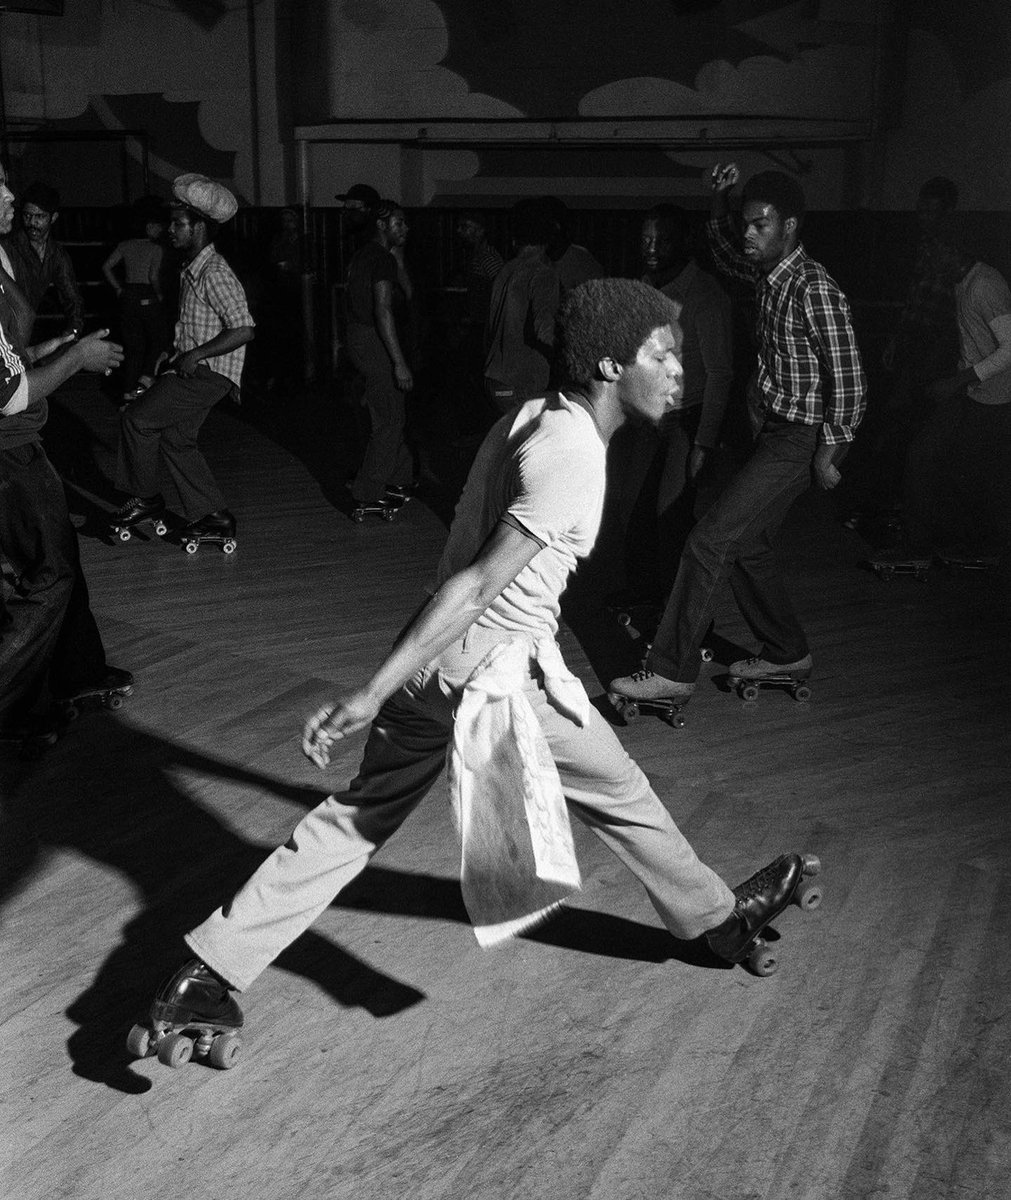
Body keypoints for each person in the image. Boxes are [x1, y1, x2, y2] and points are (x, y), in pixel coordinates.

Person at [140, 278, 811, 1044]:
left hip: (438, 667)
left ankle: (207, 972)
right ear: (605, 366)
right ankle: (717, 925)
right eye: (660, 355)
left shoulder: (532, 417)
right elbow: (474, 584)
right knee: (619, 791)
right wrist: (368, 691)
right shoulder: (572, 457)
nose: (678, 373)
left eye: (679, 355)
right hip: (490, 677)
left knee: (358, 819)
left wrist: (396, 680)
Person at [610, 164, 866, 709]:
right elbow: (724, 250)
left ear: (790, 226)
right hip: (770, 432)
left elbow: (849, 382)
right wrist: (723, 198)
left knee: (709, 540)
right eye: (747, 224)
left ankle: (670, 670)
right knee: (749, 545)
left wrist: (829, 452)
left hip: (799, 439)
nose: (749, 235)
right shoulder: (768, 276)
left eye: (760, 225)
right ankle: (787, 649)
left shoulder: (814, 289)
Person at [0, 161, 130, 745]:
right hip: (11, 449)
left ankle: (77, 674)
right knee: (49, 575)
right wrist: (74, 361)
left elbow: (6, 359)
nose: (10, 199)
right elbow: (9, 396)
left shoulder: (24, 261)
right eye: (0, 190)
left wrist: (45, 347)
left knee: (55, 564)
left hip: (18, 441)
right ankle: (11, 707)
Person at [108, 173, 254, 543]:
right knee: (176, 439)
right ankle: (212, 515)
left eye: (179, 224)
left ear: (199, 228)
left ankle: (145, 498)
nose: (170, 230)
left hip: (206, 372)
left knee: (138, 420)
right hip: (196, 367)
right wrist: (170, 358)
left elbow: (243, 328)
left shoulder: (215, 272)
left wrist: (196, 356)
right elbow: (195, 329)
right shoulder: (192, 269)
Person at [605, 204, 735, 603]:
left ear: (683, 243)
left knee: (670, 519)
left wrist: (703, 443)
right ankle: (645, 597)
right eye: (646, 239)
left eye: (662, 240)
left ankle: (679, 617)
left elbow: (721, 373)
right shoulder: (643, 286)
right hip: (647, 419)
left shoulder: (705, 295)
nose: (652, 248)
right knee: (631, 511)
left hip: (687, 421)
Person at [875, 231, 1011, 571]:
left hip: (994, 398)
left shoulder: (984, 285)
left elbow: (1010, 348)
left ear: (953, 251)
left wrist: (957, 380)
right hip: (971, 391)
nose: (928, 263)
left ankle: (984, 545)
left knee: (970, 472)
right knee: (924, 455)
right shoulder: (961, 283)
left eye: (933, 254)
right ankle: (920, 544)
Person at [343, 199, 416, 512]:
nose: (405, 228)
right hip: (374, 340)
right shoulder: (381, 260)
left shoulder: (365, 255)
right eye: (399, 223)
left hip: (358, 338)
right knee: (389, 419)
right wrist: (399, 362)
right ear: (381, 225)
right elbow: (384, 310)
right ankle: (367, 490)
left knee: (389, 410)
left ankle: (401, 476)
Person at [484, 198, 560, 414]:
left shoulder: (506, 270)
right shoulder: (543, 273)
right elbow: (545, 331)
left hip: (495, 379)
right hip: (520, 382)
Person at [101, 196, 168, 404]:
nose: (161, 231)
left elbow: (106, 267)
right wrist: (159, 294)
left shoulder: (125, 245)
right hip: (146, 295)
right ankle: (145, 379)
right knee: (159, 339)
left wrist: (119, 289)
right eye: (158, 227)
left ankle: (128, 391)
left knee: (133, 347)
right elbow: (153, 276)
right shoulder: (156, 249)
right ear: (149, 226)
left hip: (128, 296)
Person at [1, 180, 84, 340]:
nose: (32, 222)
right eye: (27, 215)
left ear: (53, 217)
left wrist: (73, 332)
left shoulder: (56, 254)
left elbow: (73, 299)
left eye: (40, 216)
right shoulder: (7, 247)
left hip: (25, 331)